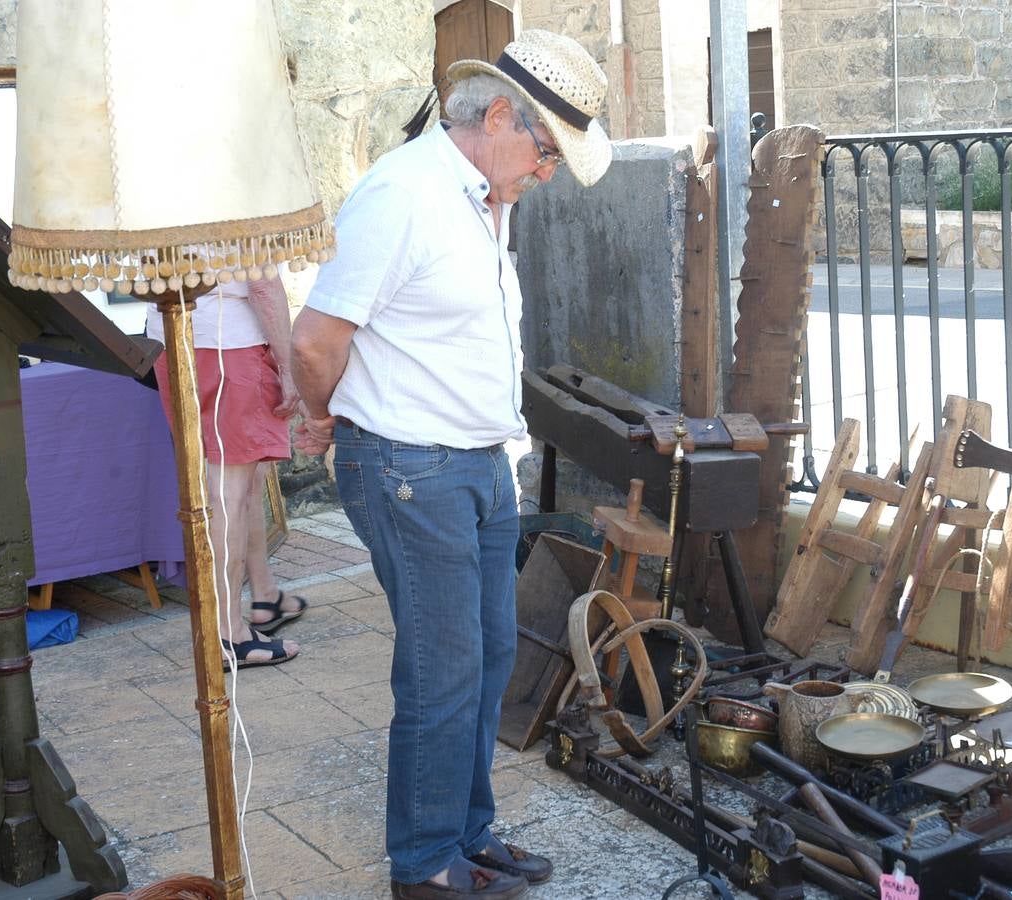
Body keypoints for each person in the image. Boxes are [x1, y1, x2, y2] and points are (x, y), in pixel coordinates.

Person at [289, 29, 612, 900]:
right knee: (442, 667)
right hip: (409, 463)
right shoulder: (402, 193)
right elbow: (316, 340)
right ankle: (424, 864)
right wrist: (317, 417)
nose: (547, 174)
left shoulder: (479, 196)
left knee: (488, 654)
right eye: (546, 152)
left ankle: (468, 834)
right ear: (500, 116)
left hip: (473, 459)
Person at [148, 274, 307, 669]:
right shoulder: (239, 210)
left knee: (233, 485)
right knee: (228, 494)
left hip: (169, 336)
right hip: (229, 343)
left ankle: (258, 600)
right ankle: (226, 634)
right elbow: (263, 285)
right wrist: (289, 368)